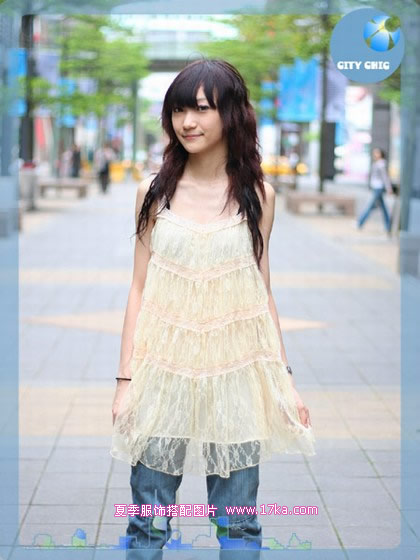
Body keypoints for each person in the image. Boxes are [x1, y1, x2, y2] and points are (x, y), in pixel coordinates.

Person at [109, 59, 316, 559]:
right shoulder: (152, 193)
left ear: (231, 114)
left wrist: (284, 379)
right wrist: (126, 381)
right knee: (148, 524)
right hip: (162, 374)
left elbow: (261, 292)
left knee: (239, 526)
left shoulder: (258, 196)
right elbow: (138, 288)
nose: (188, 122)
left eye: (201, 109)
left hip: (236, 374)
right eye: (179, 110)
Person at [357, 148, 394, 233]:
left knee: (370, 206)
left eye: (377, 153)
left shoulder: (381, 164)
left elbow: (385, 177)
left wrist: (389, 188)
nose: (375, 154)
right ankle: (388, 226)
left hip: (378, 188)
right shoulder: (378, 164)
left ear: (381, 154)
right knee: (383, 208)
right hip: (376, 188)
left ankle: (360, 222)